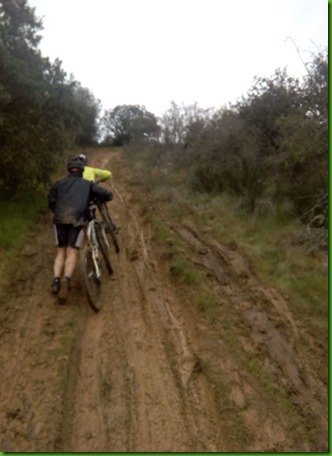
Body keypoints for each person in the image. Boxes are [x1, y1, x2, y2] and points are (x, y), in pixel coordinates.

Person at [48, 158, 113, 299]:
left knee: (60, 252)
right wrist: (109, 196)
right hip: (77, 220)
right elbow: (106, 194)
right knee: (72, 252)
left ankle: (56, 281)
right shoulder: (87, 184)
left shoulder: (58, 184)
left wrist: (58, 211)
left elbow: (51, 201)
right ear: (82, 170)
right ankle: (66, 279)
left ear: (69, 170)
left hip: (60, 219)